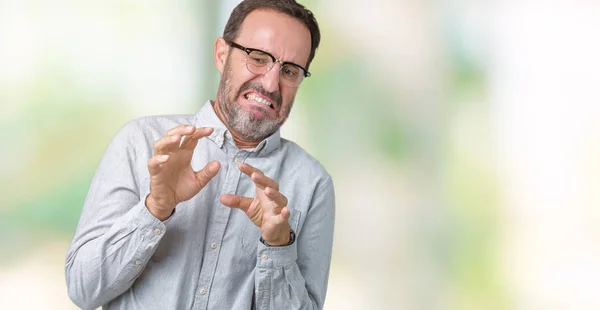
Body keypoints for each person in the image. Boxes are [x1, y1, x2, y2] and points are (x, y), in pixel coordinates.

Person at [65, 1, 335, 309]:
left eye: (289, 70)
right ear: (222, 54)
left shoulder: (313, 184)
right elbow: (82, 289)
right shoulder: (140, 142)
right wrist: (155, 208)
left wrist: (278, 246)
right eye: (258, 58)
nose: (271, 83)